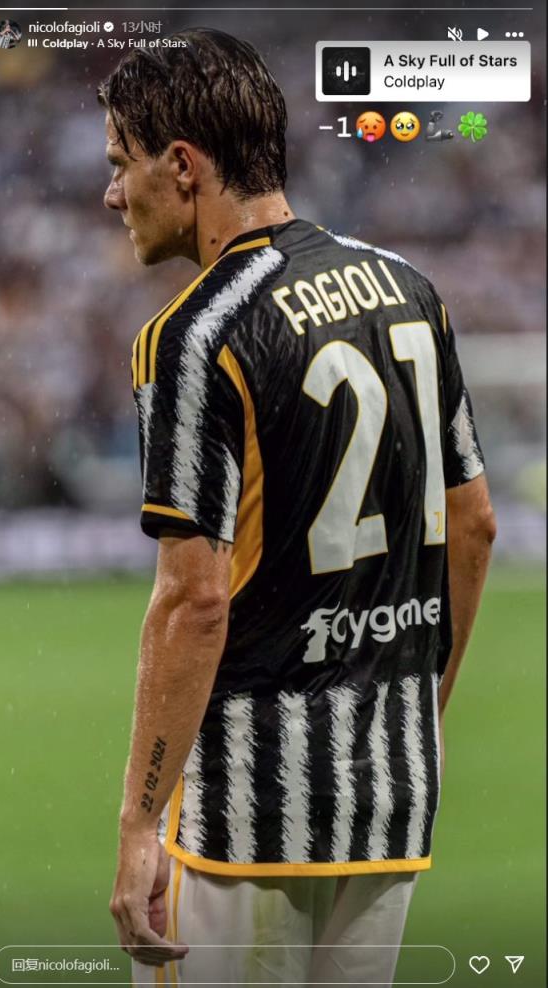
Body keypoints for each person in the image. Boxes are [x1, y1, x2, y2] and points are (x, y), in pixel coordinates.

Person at [99, 28, 496, 987]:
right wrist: (418, 707)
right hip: (392, 792)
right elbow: (474, 523)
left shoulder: (194, 334)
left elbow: (194, 601)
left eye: (120, 163)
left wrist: (140, 824)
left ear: (182, 166)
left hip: (250, 810)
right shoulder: (409, 289)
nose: (111, 193)